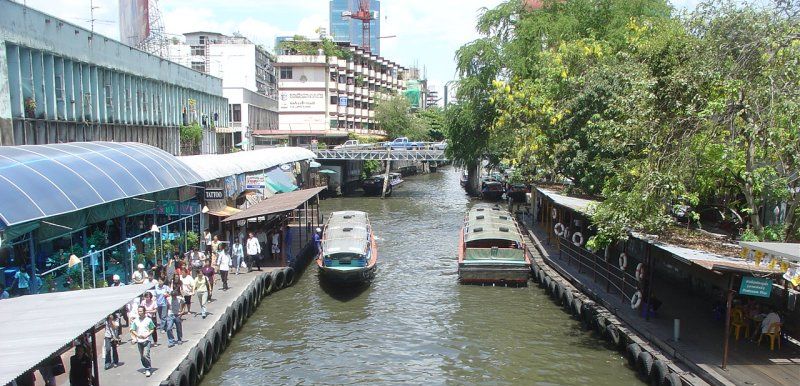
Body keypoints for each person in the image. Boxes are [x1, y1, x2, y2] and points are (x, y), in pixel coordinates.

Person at [131, 305, 155, 377]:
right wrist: (137, 336)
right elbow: (133, 329)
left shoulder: (148, 320)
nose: (139, 312)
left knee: (146, 354)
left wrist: (147, 334)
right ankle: (146, 366)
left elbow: (152, 329)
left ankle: (148, 368)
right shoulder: (136, 321)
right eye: (138, 311)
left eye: (141, 311)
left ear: (144, 312)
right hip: (139, 340)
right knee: (142, 356)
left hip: (147, 340)